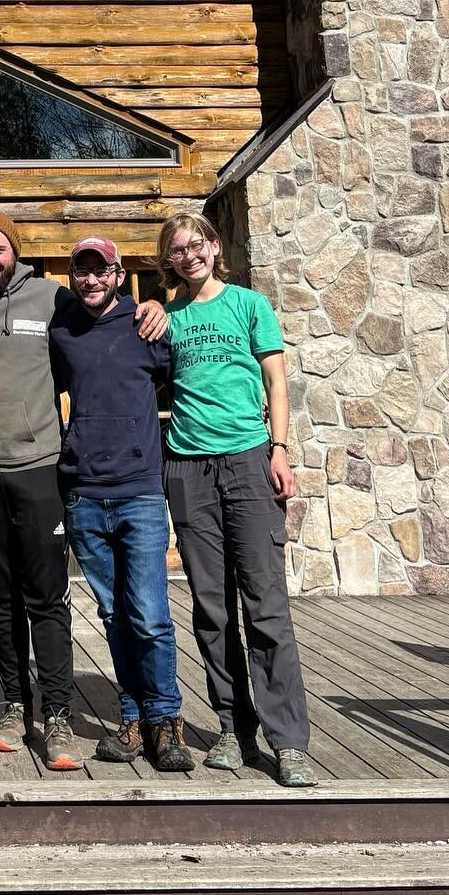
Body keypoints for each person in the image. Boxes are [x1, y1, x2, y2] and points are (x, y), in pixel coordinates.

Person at [0, 208, 167, 772]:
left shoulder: (53, 299)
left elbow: (106, 316)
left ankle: (59, 713)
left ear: (15, 252)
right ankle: (14, 705)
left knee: (46, 597)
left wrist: (153, 304)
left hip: (42, 467)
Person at [156, 211, 316, 788]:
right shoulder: (168, 317)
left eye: (196, 244)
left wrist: (280, 447)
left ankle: (288, 740)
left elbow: (277, 381)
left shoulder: (250, 305)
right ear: (168, 260)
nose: (188, 255)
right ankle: (232, 727)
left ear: (214, 247)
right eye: (176, 250)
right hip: (187, 466)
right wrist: (152, 309)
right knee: (212, 609)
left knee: (266, 606)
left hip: (249, 460)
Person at [49, 236, 194, 773]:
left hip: (139, 493)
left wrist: (157, 301)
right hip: (85, 494)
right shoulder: (62, 332)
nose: (90, 280)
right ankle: (132, 719)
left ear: (117, 274)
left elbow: (190, 378)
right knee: (113, 615)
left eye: (100, 270)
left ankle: (166, 721)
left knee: (151, 615)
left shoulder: (147, 326)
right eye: (80, 271)